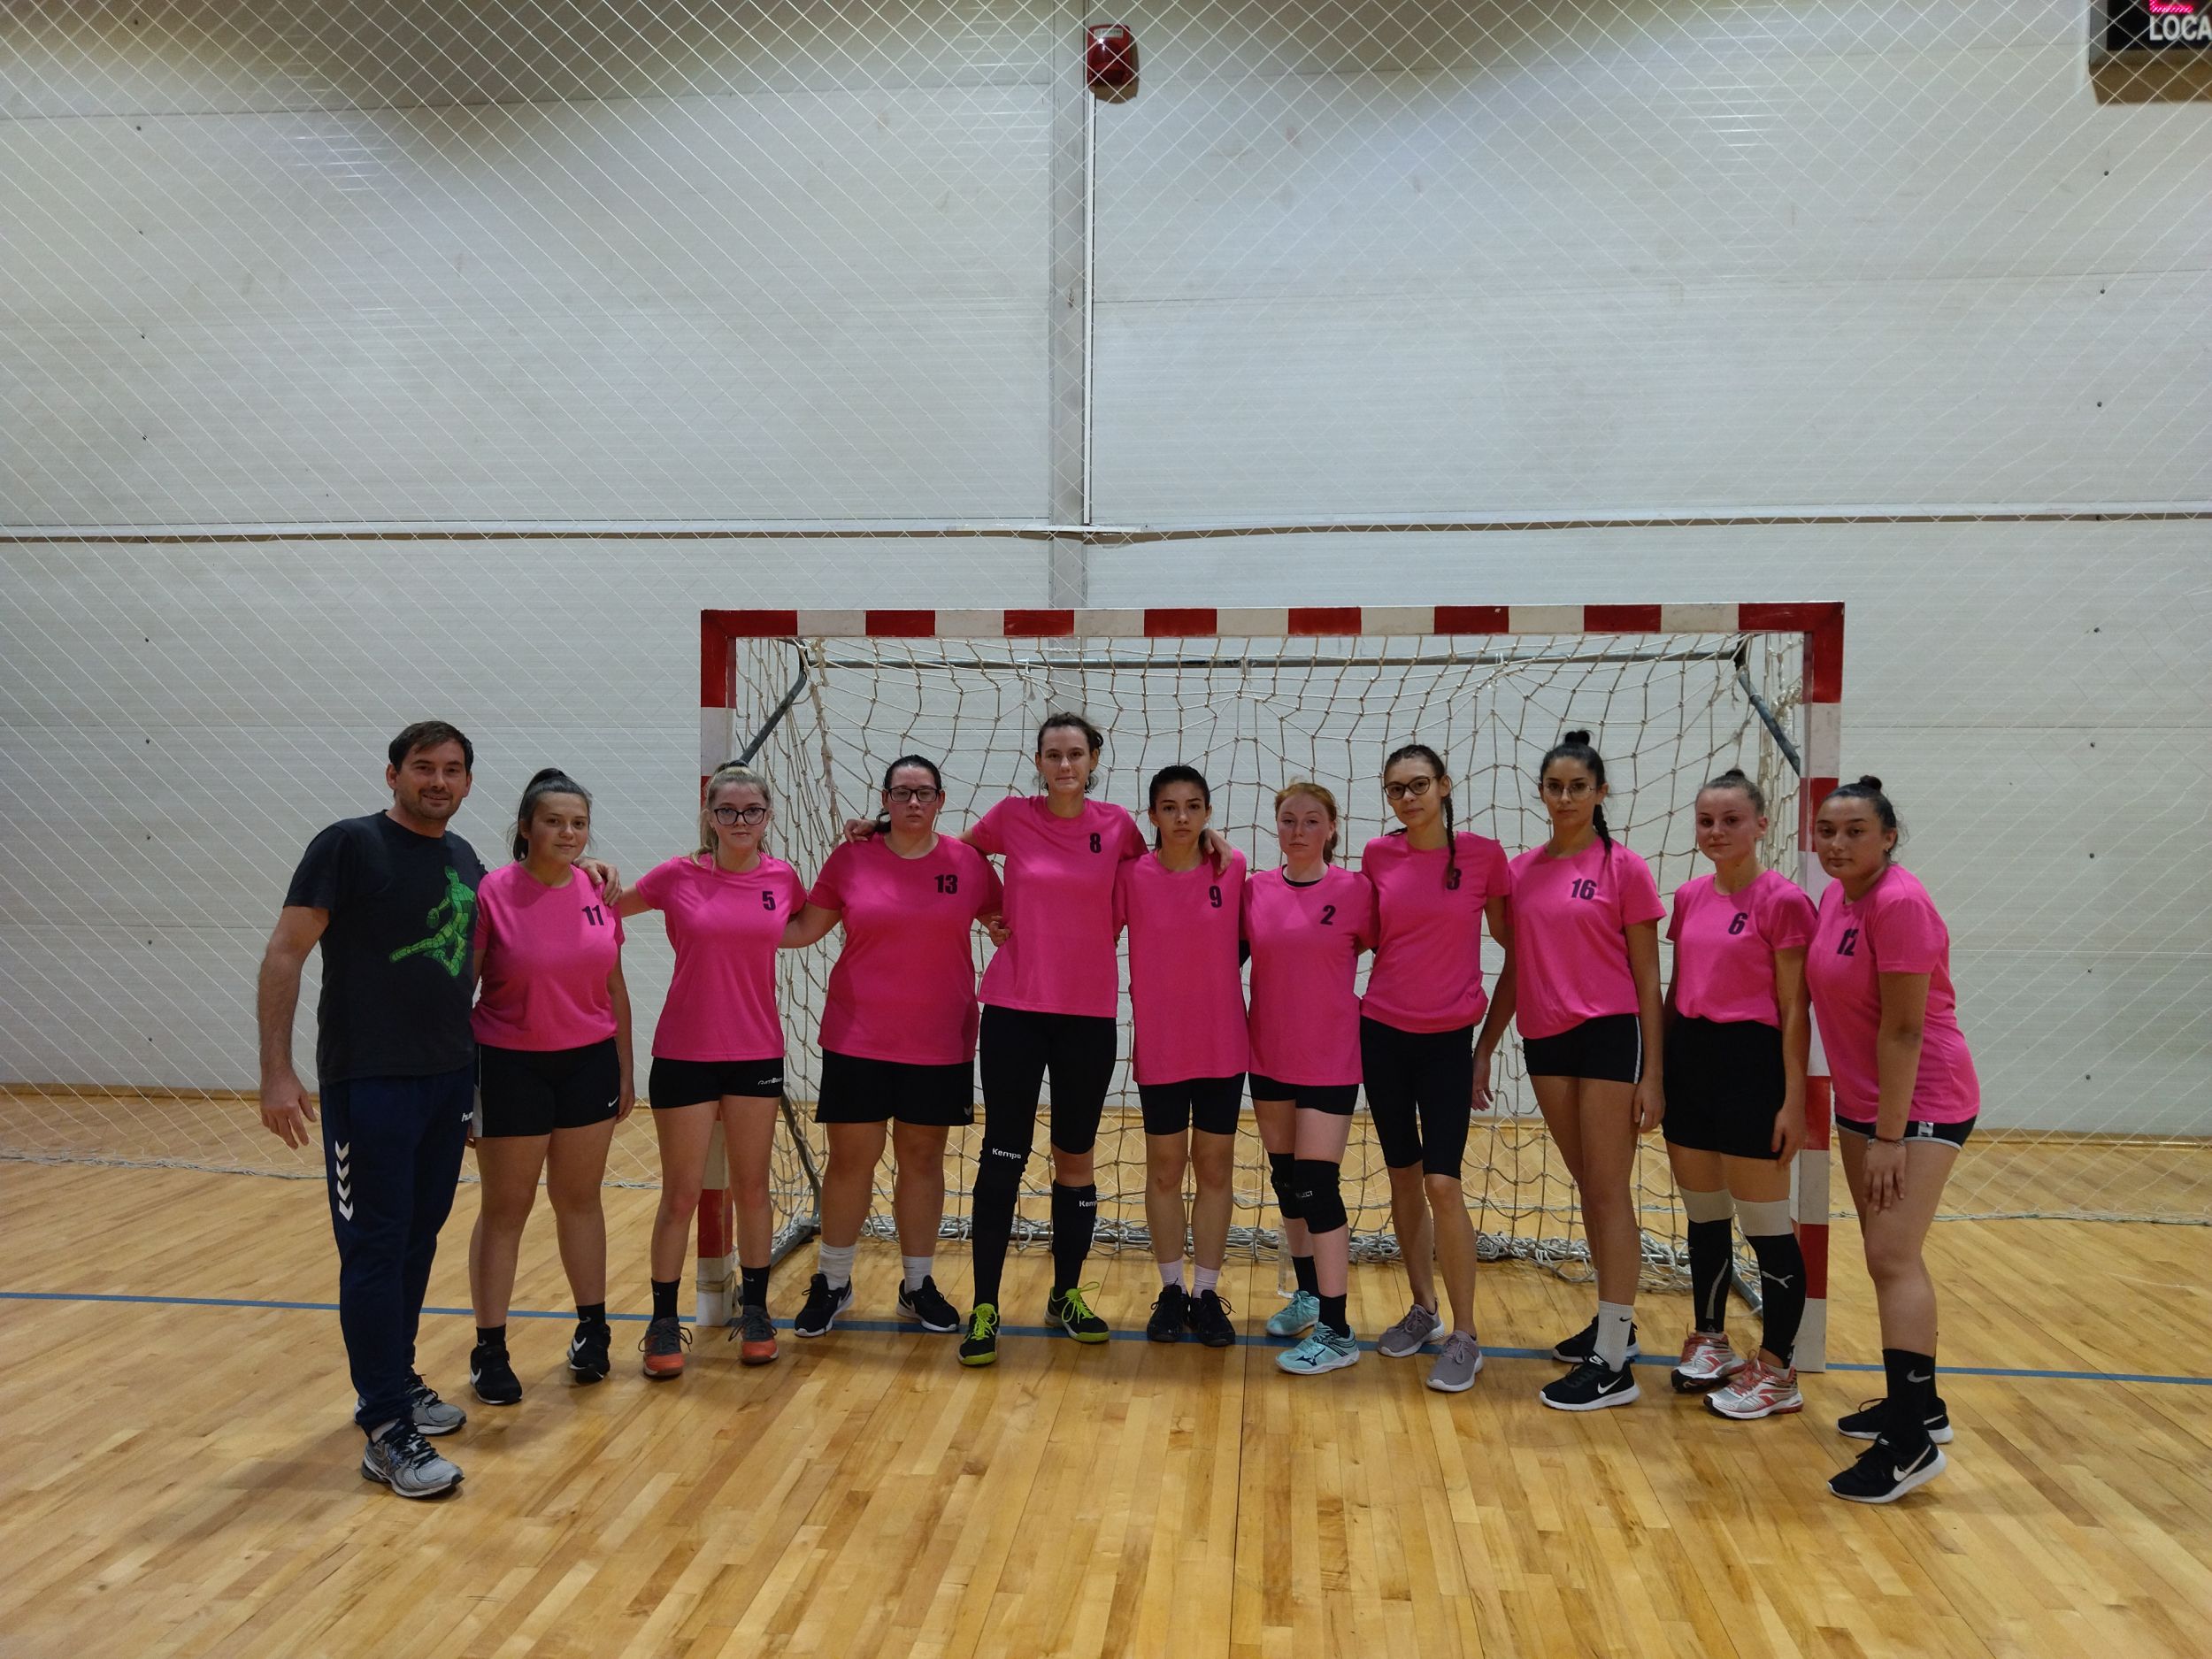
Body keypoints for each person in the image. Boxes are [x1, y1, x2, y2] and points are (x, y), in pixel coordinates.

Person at [257, 722, 484, 1498]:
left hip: (446, 1080)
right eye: (423, 767)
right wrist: (277, 1071)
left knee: (418, 1237)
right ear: (393, 774)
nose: (438, 781)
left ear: (467, 782)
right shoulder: (347, 844)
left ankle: (398, 1378)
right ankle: (386, 1428)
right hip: (369, 1084)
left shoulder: (464, 857)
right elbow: (285, 950)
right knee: (375, 1247)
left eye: (452, 770)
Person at [779, 756, 1000, 1339]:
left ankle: (917, 1284)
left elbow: (1005, 920)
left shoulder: (969, 865)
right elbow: (802, 929)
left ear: (941, 799)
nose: (913, 802)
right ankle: (833, 1281)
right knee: (851, 1159)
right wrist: (730, 907)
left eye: (924, 792)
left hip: (941, 1039)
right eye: (902, 792)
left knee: (922, 1161)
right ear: (884, 799)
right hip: (857, 1037)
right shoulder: (851, 857)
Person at [956, 713, 1148, 1366]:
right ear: (1038, 761)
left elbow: (1159, 876)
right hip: (1014, 1009)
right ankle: (985, 1306)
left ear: (1093, 760)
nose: (1065, 764)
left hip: (1087, 1016)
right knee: (1002, 1154)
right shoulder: (1011, 815)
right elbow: (958, 854)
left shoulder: (1118, 826)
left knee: (1075, 1158)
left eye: (1075, 753)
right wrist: (988, 909)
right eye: (1053, 754)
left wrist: (1214, 846)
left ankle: (1066, 1294)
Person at [1807, 777, 1978, 1503]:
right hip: (1865, 1104)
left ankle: (1910, 1444)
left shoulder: (1900, 902)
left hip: (1919, 1104)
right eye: (1827, 830)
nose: (1837, 843)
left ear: (1888, 836)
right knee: (1887, 1253)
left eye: (1855, 831)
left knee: (1891, 1256)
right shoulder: (1836, 898)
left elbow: (1905, 1029)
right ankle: (1921, 1405)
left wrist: (1889, 1136)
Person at [615, 761, 805, 1378]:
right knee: (681, 1194)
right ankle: (663, 1322)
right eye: (728, 810)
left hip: (755, 1052)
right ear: (710, 816)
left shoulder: (783, 877)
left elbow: (809, 923)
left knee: (752, 1188)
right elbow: (607, 907)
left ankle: (756, 1311)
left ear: (767, 815)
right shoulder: (677, 875)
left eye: (752, 810)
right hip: (684, 1053)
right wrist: (587, 869)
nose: (741, 820)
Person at [1500, 730, 1666, 1411]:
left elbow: (1649, 978)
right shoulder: (1520, 871)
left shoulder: (1625, 868)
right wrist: (1484, 1045)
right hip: (1545, 1040)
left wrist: (1653, 1073)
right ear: (1542, 793)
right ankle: (1613, 1326)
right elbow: (1516, 963)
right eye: (1554, 786)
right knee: (1590, 1188)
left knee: (1607, 1191)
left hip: (1606, 1038)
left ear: (1600, 792)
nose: (1565, 797)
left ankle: (1614, 1362)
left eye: (1577, 786)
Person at [465, 768, 635, 1407]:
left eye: (578, 823)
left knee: (579, 1199)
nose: (568, 833)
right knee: (506, 1208)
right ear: (526, 827)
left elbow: (614, 986)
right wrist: (460, 1085)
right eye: (554, 821)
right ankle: (490, 1349)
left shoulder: (597, 889)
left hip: (589, 1062)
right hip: (510, 1066)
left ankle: (593, 1330)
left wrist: (624, 1068)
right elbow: (462, 990)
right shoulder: (492, 892)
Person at [1655, 768, 1816, 1421]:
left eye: (1731, 820)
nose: (1717, 831)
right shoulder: (1690, 896)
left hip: (1753, 1065)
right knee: (1704, 1215)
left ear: (1761, 824)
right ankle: (1711, 1338)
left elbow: (1795, 1009)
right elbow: (1677, 988)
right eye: (1706, 821)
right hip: (1690, 1061)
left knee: (1767, 1226)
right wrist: (1657, 1071)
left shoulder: (1784, 901)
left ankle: (1778, 1369)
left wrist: (1794, 1100)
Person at [1358, 743, 1515, 1394]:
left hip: (1449, 1043)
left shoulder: (1484, 856)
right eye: (1396, 789)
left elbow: (1519, 952)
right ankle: (1423, 1308)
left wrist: (1485, 1047)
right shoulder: (1376, 856)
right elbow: (1362, 935)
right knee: (1403, 1177)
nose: (1409, 798)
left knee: (1443, 1184)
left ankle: (1466, 1334)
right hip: (1381, 1035)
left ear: (1445, 785)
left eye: (1419, 784)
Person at [1246, 780, 1376, 1376]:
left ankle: (1337, 1329)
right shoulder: (1254, 890)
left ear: (1331, 828)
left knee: (1318, 1186)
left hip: (1330, 1058)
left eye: (1311, 820)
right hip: (1268, 1055)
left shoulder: (1355, 891)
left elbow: (1391, 952)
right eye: (1289, 820)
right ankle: (1306, 1295)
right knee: (1287, 1182)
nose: (1298, 830)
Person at [1117, 765, 1247, 1348]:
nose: (1182, 817)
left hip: (1223, 1045)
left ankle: (1206, 1293)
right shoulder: (1131, 876)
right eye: (1169, 807)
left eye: (1194, 806)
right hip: (1162, 1046)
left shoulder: (1232, 868)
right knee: (1166, 1169)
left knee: (1215, 1169)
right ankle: (1171, 1289)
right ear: (1152, 815)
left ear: (1208, 812)